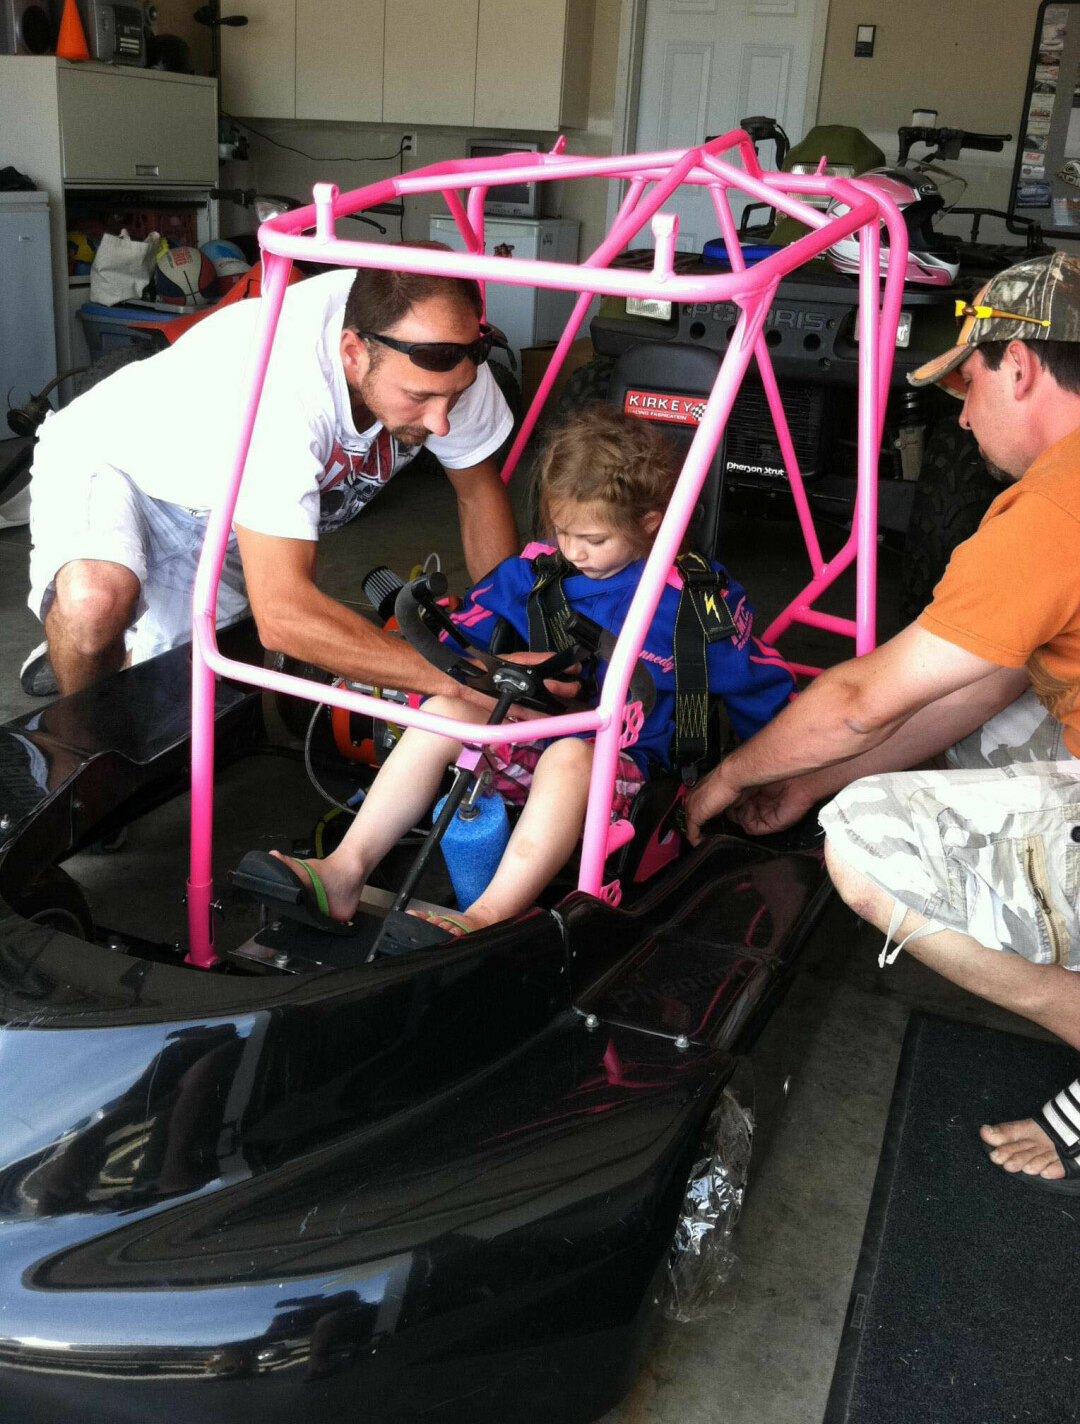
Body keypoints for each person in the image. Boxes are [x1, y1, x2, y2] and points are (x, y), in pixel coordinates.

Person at [684, 250, 1080, 1195]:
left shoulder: (1051, 512)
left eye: (969, 378)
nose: (960, 406)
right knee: (999, 700)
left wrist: (733, 776)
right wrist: (815, 771)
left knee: (862, 844)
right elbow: (973, 689)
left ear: (1019, 365)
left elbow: (863, 699)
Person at [263, 404, 795, 940]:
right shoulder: (540, 573)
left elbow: (761, 689)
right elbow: (461, 630)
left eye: (594, 540)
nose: (575, 552)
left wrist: (767, 778)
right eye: (564, 532)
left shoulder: (693, 607)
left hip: (630, 770)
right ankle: (344, 870)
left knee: (567, 756)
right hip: (535, 732)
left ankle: (486, 917)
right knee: (445, 711)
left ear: (649, 524)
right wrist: (491, 666)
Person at [23, 243, 519, 699]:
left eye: (453, 397)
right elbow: (283, 616)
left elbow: (477, 495)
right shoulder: (281, 383)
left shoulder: (447, 356)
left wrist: (506, 641)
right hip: (118, 459)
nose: (441, 421)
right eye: (418, 398)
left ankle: (106, 649)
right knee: (94, 606)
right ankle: (85, 729)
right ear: (353, 353)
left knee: (186, 693)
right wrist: (459, 678)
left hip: (227, 507)